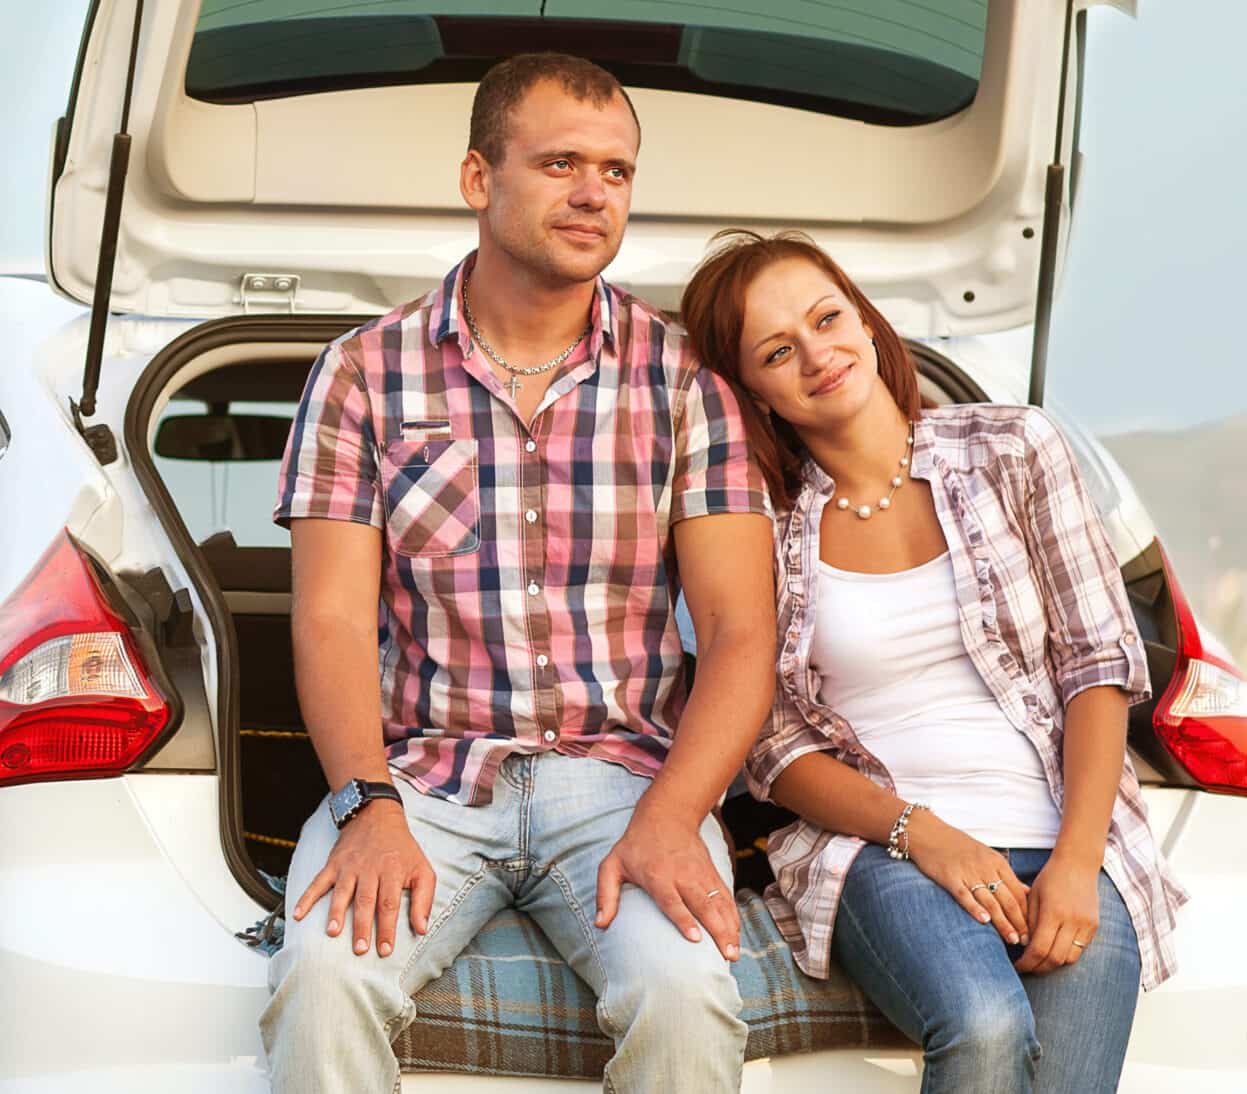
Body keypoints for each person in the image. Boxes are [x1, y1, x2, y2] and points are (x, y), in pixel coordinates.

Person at [260, 53, 775, 1093]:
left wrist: (675, 816)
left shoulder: (686, 381)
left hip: (629, 782)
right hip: (422, 776)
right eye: (560, 163)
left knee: (687, 996)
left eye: (616, 171)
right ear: (477, 177)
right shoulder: (362, 372)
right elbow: (329, 618)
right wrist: (367, 805)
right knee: (322, 974)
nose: (593, 193)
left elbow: (739, 633)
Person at [679, 230, 1186, 1093]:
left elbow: (1096, 663)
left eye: (826, 319)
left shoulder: (1015, 447)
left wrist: (1076, 863)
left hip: (1069, 838)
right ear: (754, 391)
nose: (818, 355)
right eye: (777, 351)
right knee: (985, 1028)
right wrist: (926, 836)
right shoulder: (761, 527)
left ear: (864, 320)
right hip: (884, 852)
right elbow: (773, 750)